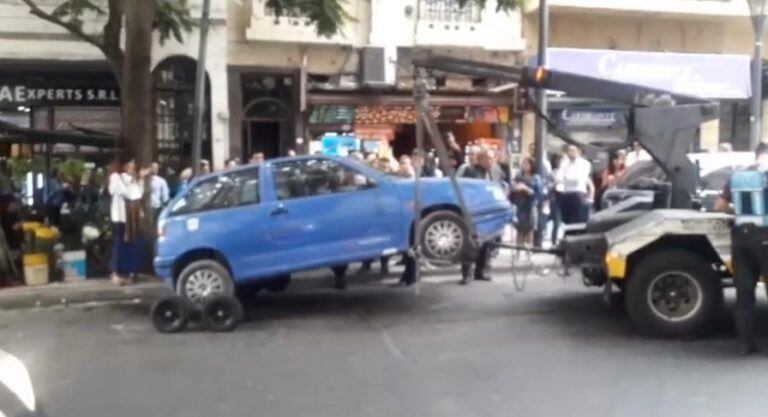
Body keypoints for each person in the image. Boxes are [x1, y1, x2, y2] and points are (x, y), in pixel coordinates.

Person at [715, 142, 768, 354]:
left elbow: (719, 206)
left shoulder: (738, 176)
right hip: (765, 237)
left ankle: (745, 344)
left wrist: (738, 210)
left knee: (744, 293)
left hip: (741, 238)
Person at [459, 148, 505, 284]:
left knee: (487, 244)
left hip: (489, 212)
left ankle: (481, 271)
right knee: (471, 244)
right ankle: (466, 273)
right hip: (474, 212)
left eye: (493, 158)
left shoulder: (495, 172)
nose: (491, 161)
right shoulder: (471, 172)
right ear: (480, 159)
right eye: (488, 158)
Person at [108, 156, 148, 286]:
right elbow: (125, 193)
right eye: (131, 164)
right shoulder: (116, 177)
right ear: (124, 166)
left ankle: (130, 271)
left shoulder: (133, 180)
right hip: (120, 217)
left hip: (132, 218)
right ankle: (116, 273)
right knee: (119, 244)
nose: (133, 167)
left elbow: (138, 194)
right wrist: (131, 180)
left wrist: (140, 179)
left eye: (133, 165)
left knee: (133, 244)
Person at [555, 144, 594, 225]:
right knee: (565, 219)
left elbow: (577, 179)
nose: (570, 152)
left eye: (572, 150)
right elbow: (558, 177)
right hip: (565, 193)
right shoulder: (564, 163)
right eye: (569, 150)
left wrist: (564, 179)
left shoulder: (585, 163)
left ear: (578, 151)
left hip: (578, 193)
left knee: (577, 219)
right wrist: (565, 179)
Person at [511, 157, 542, 248]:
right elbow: (512, 188)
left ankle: (528, 252)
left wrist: (525, 188)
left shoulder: (536, 178)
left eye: (526, 164)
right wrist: (515, 187)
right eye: (523, 164)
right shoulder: (518, 176)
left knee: (530, 229)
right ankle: (518, 251)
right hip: (519, 205)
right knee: (519, 230)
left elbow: (538, 194)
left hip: (530, 206)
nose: (524, 166)